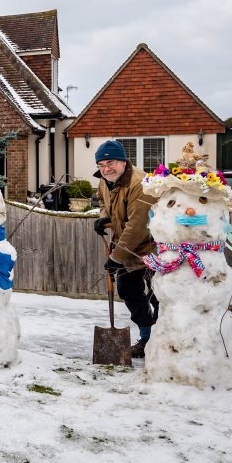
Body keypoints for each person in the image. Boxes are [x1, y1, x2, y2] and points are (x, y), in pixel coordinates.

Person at [92, 139, 159, 358]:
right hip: (128, 247)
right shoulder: (106, 180)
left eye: (110, 162)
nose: (105, 169)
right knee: (128, 289)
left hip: (153, 248)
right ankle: (148, 337)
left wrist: (116, 257)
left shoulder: (140, 183)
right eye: (101, 165)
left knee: (161, 294)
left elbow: (137, 226)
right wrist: (104, 219)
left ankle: (165, 339)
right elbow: (103, 202)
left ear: (122, 161)